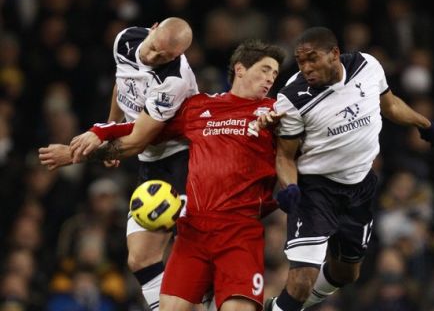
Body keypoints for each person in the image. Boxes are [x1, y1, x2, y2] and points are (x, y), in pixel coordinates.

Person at [39, 39, 286, 311]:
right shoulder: (200, 107)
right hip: (193, 229)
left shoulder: (276, 112)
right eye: (265, 69)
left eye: (274, 74)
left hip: (239, 229)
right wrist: (97, 133)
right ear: (240, 69)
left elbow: (307, 140)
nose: (270, 78)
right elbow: (143, 129)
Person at [264, 27, 434, 311]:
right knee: (300, 282)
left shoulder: (367, 66)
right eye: (301, 62)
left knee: (346, 273)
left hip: (360, 187)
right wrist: (290, 187)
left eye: (312, 59)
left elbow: (390, 105)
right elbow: (285, 156)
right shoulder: (293, 97)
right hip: (315, 190)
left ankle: (283, 307)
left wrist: (425, 125)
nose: (306, 68)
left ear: (334, 54)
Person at [40, 17, 199, 311]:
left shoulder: (173, 80)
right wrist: (110, 124)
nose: (154, 57)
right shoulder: (125, 39)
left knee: (189, 253)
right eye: (154, 48)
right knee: (139, 259)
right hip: (151, 162)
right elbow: (122, 84)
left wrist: (78, 152)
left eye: (164, 56)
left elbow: (139, 138)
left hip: (182, 160)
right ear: (151, 29)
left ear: (177, 56)